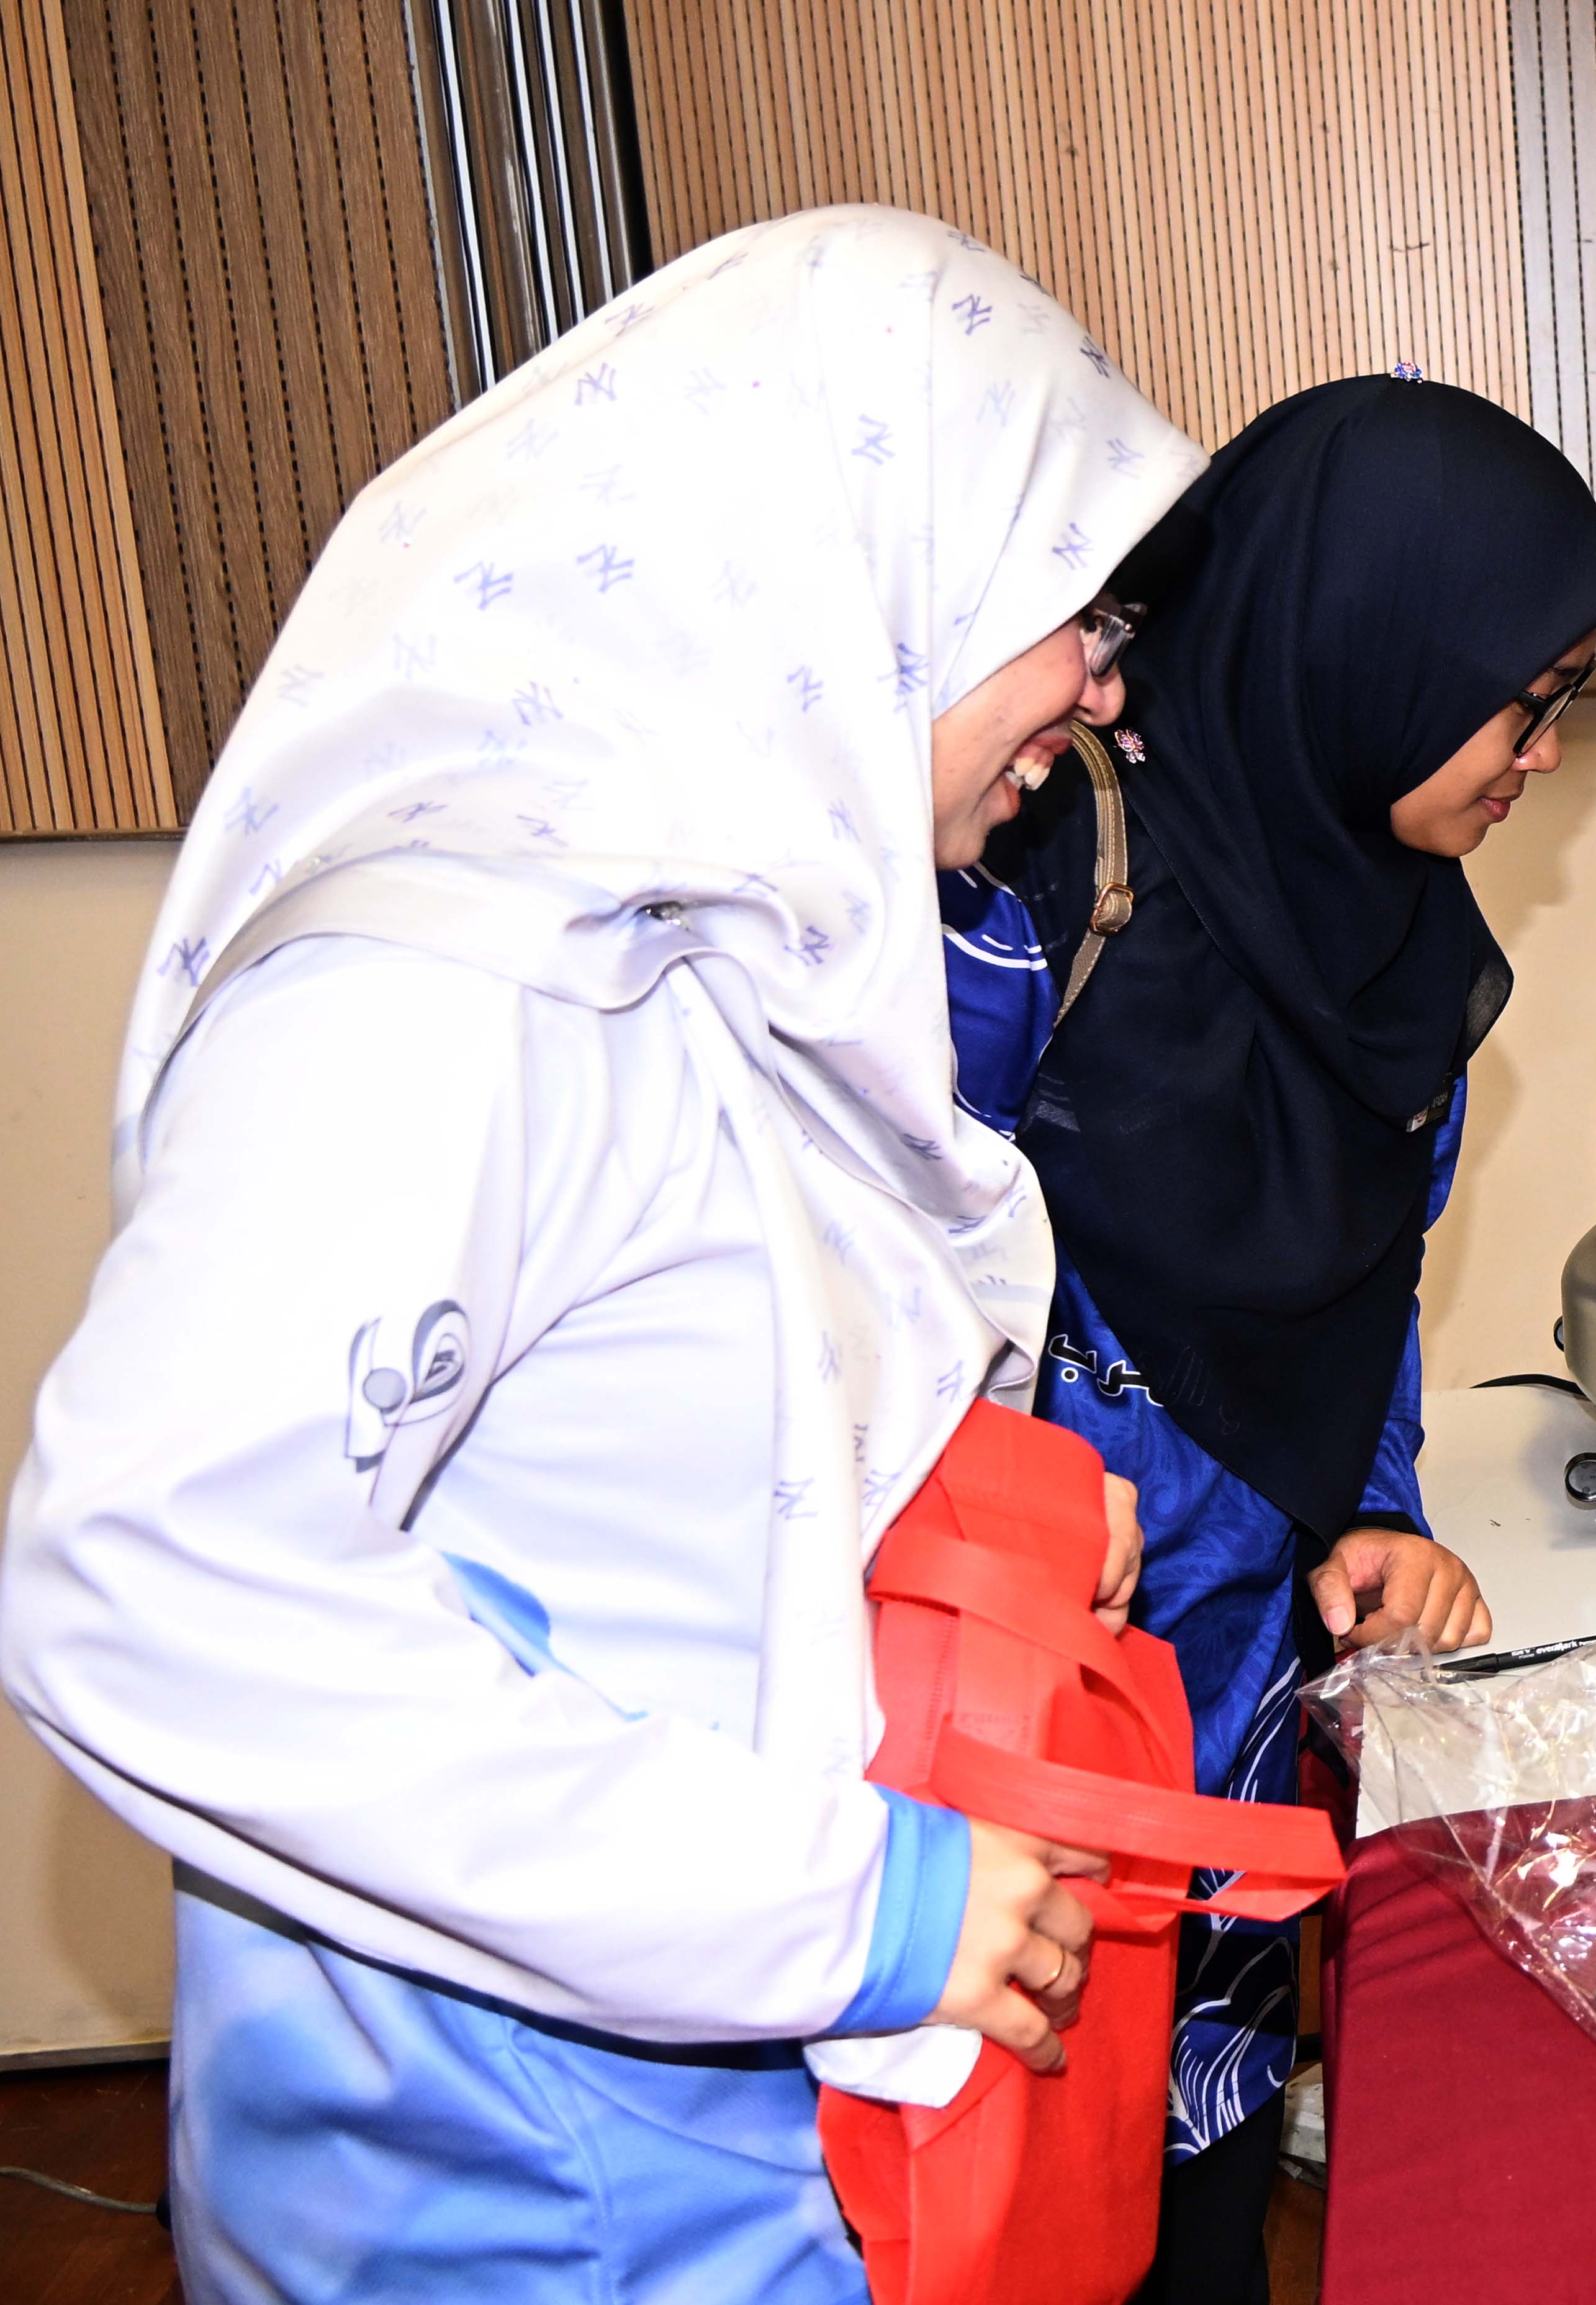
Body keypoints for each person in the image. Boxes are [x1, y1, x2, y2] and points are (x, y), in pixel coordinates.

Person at [0, 207, 1206, 2302]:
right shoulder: (436, 1003)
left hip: (709, 2128)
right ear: (863, 576)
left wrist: (982, 1507)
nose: (1101, 690)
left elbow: (647, 1427)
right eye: (1072, 613)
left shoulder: (693, 936)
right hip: (527, 2183)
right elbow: (155, 1583)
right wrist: (854, 1908)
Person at [943, 374, 1596, 2304]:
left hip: (1245, 1720)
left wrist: (1372, 1504)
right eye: (1522, 702)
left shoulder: (1394, 935)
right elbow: (898, 1351)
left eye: (1566, 699)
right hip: (1025, 1751)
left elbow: (1365, 1297)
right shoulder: (1021, 913)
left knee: (1205, 2205)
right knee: (1014, 2213)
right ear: (1366, 657)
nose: (1541, 757)